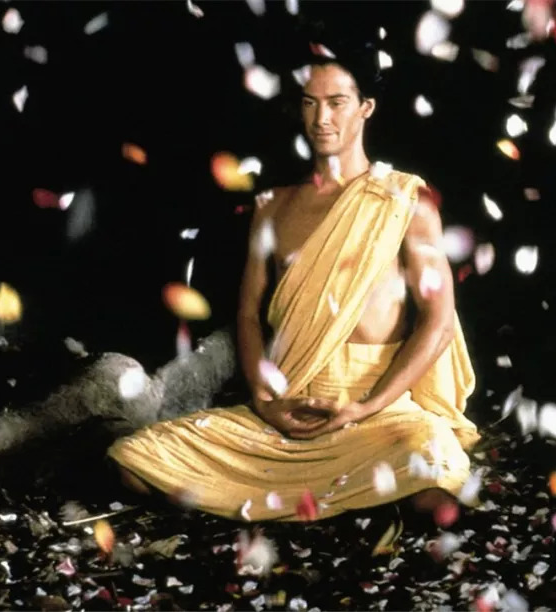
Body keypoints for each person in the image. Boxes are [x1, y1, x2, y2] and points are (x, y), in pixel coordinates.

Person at [108, 46, 481, 523]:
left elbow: (438, 322)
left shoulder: (404, 201)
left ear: (366, 107)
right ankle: (335, 493)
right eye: (309, 103)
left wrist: (365, 407)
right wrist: (265, 404)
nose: (321, 118)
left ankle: (349, 489)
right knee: (133, 462)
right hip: (289, 413)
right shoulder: (272, 206)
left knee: (433, 484)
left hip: (378, 414)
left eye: (337, 102)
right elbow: (247, 314)